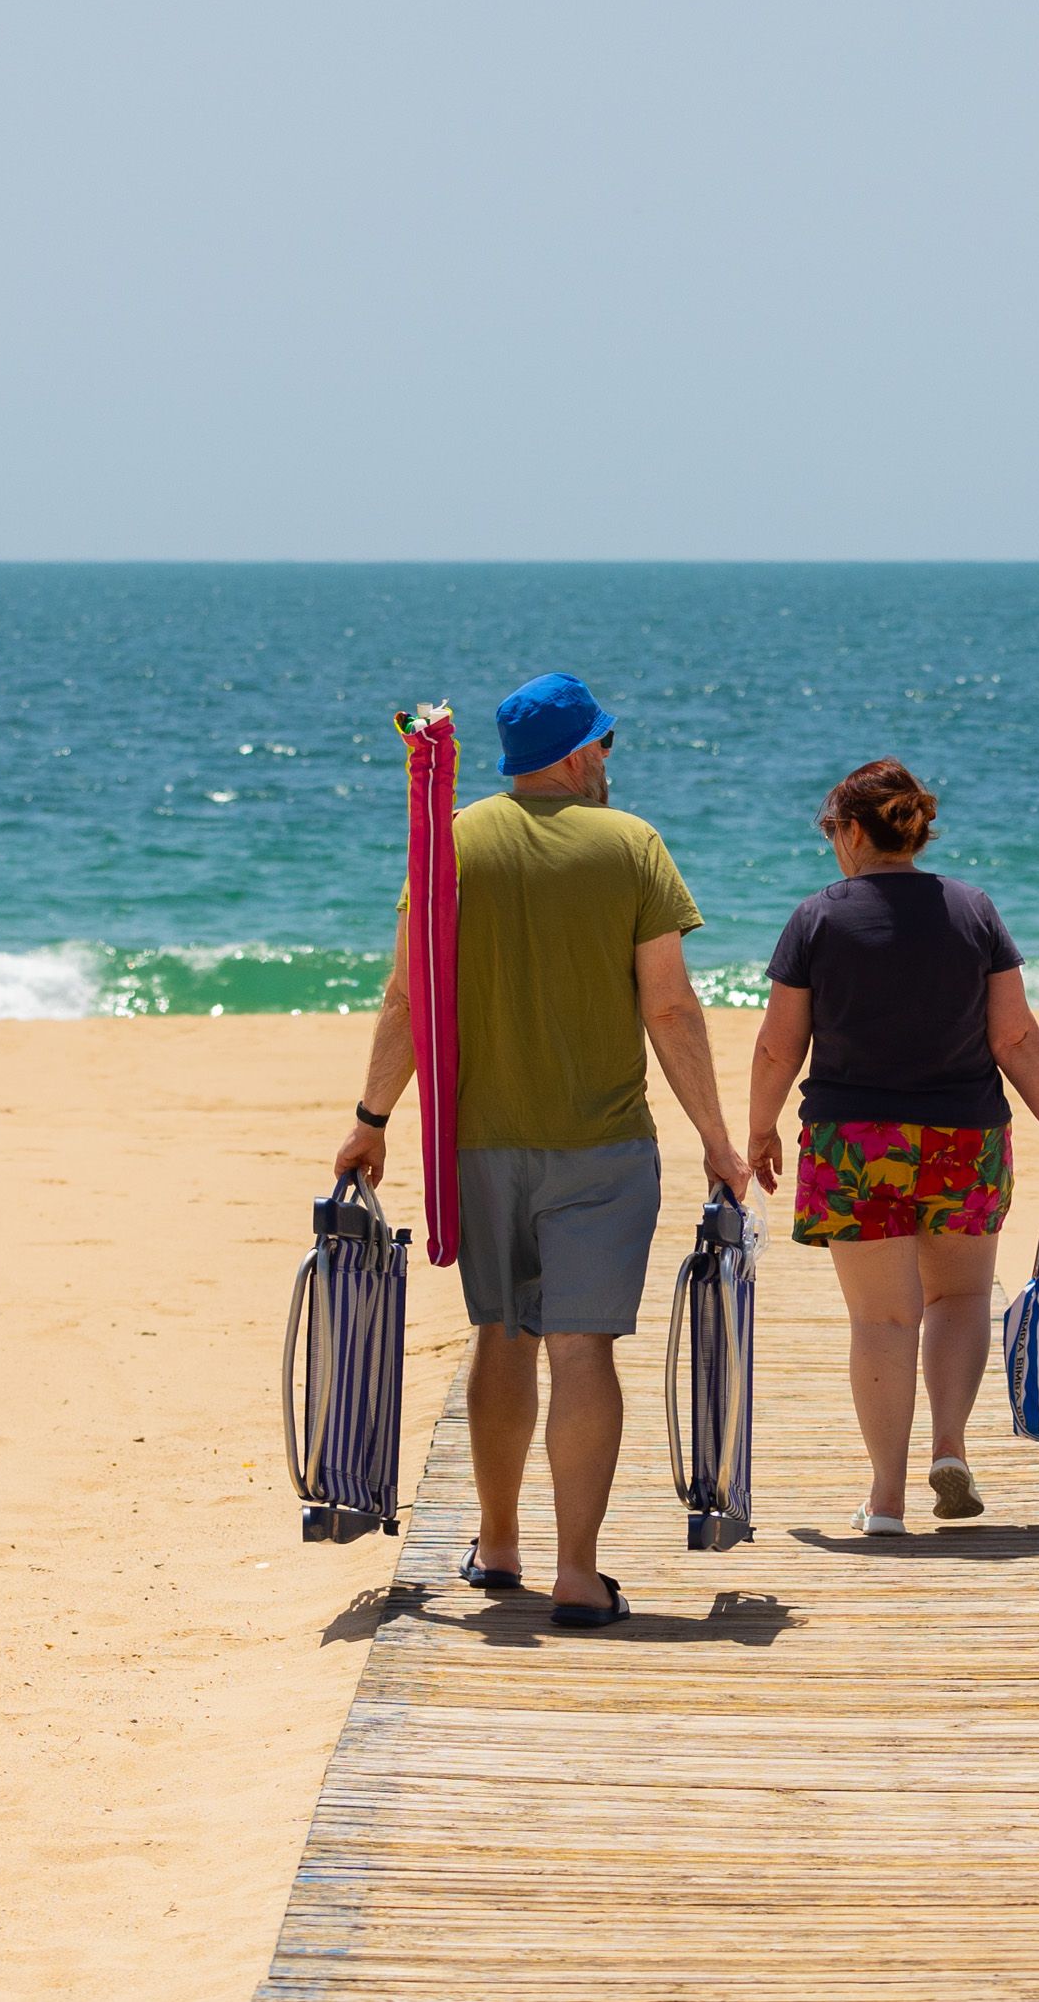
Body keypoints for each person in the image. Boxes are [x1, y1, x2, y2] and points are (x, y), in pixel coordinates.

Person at [337, 671, 749, 1630]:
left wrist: (372, 1116)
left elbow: (410, 995)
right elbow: (671, 1007)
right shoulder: (632, 845)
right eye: (603, 744)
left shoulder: (450, 843)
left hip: (479, 1145)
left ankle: (500, 1543)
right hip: (603, 1145)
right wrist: (716, 1140)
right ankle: (576, 1571)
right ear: (572, 754)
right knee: (582, 1349)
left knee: (502, 1334)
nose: (608, 760)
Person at [743, 757, 1039, 1534]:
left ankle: (887, 1497)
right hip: (964, 1135)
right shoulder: (974, 911)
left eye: (833, 828)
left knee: (884, 1319)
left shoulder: (817, 918)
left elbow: (776, 1046)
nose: (832, 843)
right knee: (960, 1298)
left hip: (855, 1142)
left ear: (856, 830)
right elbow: (1015, 1034)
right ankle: (951, 1444)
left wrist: (760, 1127)